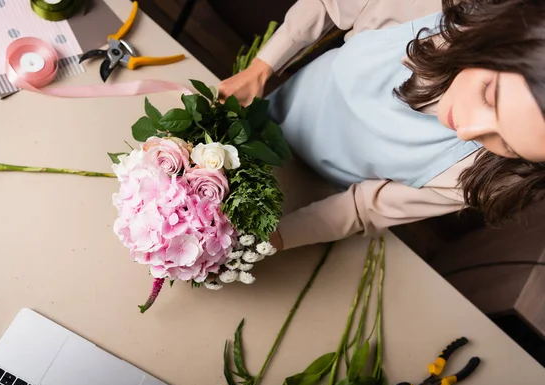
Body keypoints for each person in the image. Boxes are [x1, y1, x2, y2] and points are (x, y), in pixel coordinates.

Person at [218, 0, 545, 251]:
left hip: (306, 195)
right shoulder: (427, 9)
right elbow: (326, 5)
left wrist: (275, 239)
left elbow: (363, 208)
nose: (467, 131)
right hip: (266, 122)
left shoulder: (498, 176)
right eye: (490, 96)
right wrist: (261, 68)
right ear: (500, 39)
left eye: (506, 144)